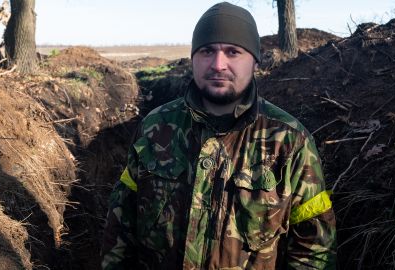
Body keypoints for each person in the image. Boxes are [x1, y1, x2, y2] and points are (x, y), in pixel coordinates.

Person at [101, 2, 336, 269]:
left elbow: (314, 250)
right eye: (207, 51)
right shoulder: (155, 128)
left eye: (233, 52)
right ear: (193, 58)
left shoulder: (290, 141)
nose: (218, 64)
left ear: (255, 61)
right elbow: (120, 226)